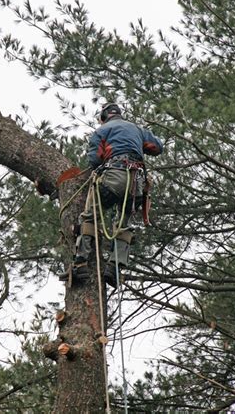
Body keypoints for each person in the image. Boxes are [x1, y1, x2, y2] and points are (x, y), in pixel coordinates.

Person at [59, 103, 163, 288]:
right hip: (135, 183)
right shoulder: (137, 129)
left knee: (90, 217)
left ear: (103, 117)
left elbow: (94, 159)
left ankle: (81, 263)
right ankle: (114, 266)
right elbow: (157, 147)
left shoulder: (102, 131)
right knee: (124, 224)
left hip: (113, 176)